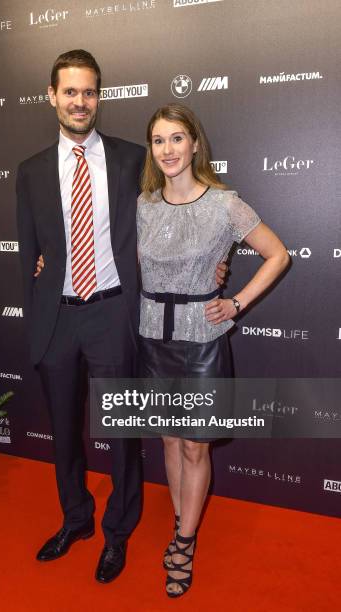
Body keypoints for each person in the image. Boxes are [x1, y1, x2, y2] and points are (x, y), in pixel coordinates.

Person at [20, 50, 227, 584]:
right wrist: (41, 286)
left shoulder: (136, 158)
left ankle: (117, 533)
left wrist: (215, 258)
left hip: (115, 312)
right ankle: (76, 520)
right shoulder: (32, 171)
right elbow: (29, 254)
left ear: (99, 96)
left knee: (123, 435)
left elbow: (182, 209)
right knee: (65, 433)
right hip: (58, 319)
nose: (80, 101)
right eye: (70, 91)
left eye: (89, 91)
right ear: (52, 96)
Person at [137, 103, 289, 598]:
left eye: (177, 138)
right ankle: (183, 514)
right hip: (153, 338)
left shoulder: (226, 205)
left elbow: (277, 254)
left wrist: (237, 301)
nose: (169, 150)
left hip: (202, 340)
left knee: (195, 444)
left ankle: (184, 539)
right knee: (167, 440)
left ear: (195, 143)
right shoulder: (142, 204)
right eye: (159, 141)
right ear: (152, 149)